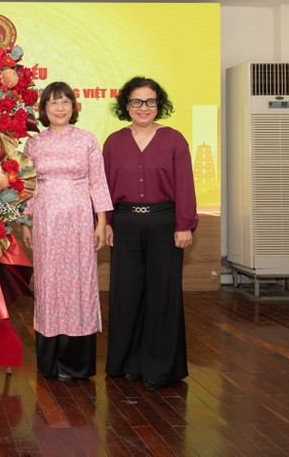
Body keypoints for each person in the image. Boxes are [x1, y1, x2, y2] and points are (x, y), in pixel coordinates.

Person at [102, 76, 198, 391]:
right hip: (125, 226)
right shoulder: (113, 142)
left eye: (150, 101)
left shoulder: (174, 140)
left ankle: (160, 368)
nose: (143, 107)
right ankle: (128, 363)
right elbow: (104, 188)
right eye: (136, 101)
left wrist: (184, 224)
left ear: (159, 105)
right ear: (126, 105)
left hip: (164, 226)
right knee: (126, 295)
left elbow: (185, 185)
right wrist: (105, 222)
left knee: (163, 295)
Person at [20, 81, 112, 381]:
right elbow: (28, 186)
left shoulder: (87, 140)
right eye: (53, 102)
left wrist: (101, 222)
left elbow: (98, 182)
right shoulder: (34, 144)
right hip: (45, 220)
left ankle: (76, 363)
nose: (59, 108)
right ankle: (50, 362)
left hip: (79, 220)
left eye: (65, 102)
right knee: (48, 283)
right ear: (44, 109)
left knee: (79, 282)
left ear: (74, 107)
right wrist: (25, 222)